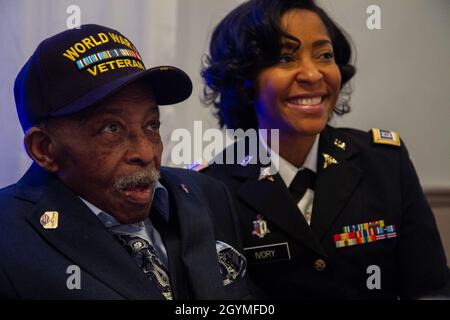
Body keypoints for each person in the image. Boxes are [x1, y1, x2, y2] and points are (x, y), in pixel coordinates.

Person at [198, 0, 450, 299]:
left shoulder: (384, 161)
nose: (313, 74)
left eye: (324, 55)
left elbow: (431, 290)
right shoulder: (214, 188)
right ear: (243, 80)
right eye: (285, 58)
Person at [0, 24, 250, 300]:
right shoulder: (8, 237)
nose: (145, 153)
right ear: (44, 149)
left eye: (151, 125)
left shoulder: (207, 194)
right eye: (112, 129)